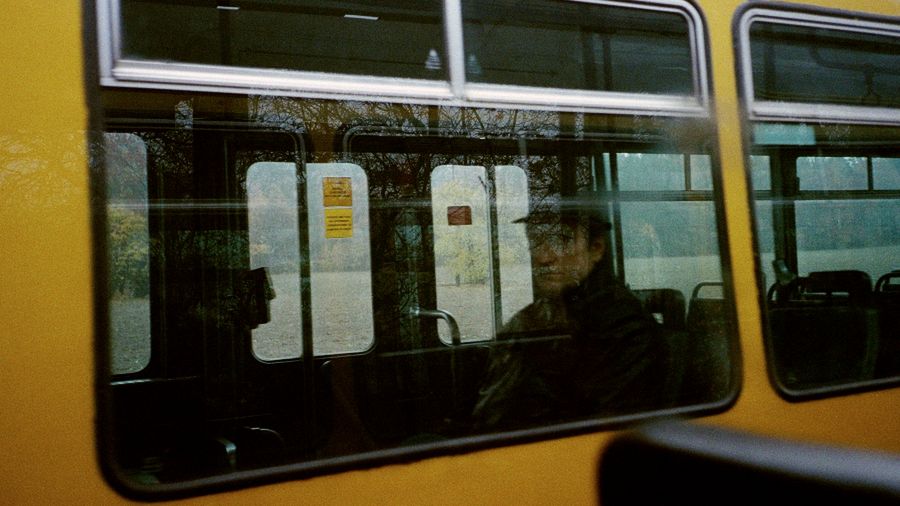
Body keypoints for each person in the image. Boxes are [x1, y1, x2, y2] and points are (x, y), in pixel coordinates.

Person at [471, 192, 669, 430]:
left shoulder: (625, 330)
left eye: (561, 240)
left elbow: (602, 430)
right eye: (535, 240)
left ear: (596, 249)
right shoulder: (539, 315)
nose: (543, 257)